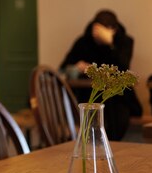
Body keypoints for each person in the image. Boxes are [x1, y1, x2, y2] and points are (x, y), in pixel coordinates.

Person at [60, 9, 142, 141]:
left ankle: (109, 145)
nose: (97, 33)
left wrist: (110, 45)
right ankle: (92, 145)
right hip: (88, 95)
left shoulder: (124, 41)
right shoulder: (83, 42)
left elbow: (122, 68)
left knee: (116, 111)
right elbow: (63, 68)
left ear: (113, 30)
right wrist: (76, 68)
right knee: (88, 111)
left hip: (116, 97)